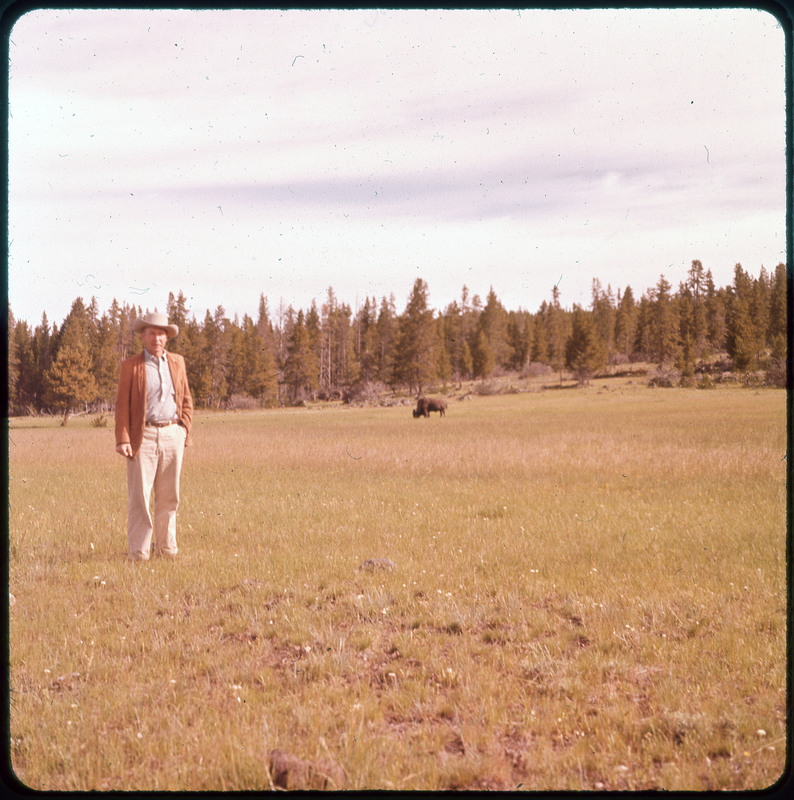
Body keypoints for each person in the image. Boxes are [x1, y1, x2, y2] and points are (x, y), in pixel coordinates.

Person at [115, 311, 193, 561]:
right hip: (143, 436)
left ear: (167, 337)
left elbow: (186, 399)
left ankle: (167, 550)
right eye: (151, 333)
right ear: (143, 336)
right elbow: (121, 406)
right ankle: (139, 553)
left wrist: (183, 430)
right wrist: (123, 438)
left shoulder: (178, 362)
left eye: (161, 333)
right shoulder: (131, 366)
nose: (156, 338)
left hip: (172, 434)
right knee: (140, 497)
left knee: (170, 496)